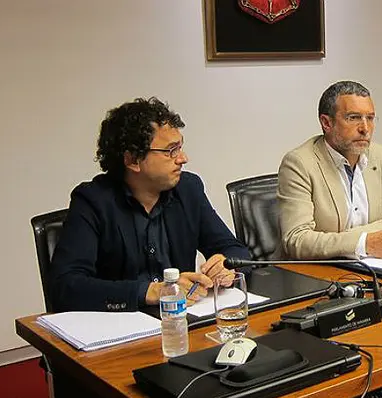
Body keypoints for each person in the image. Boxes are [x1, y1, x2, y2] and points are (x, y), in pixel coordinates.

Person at [49, 97, 250, 312]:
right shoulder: (93, 201)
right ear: (133, 160)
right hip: (122, 323)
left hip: (181, 320)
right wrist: (150, 291)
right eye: (171, 151)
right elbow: (65, 286)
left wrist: (225, 266)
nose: (183, 158)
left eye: (180, 147)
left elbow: (236, 250)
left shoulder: (188, 189)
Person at [278, 81, 382, 259]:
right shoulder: (299, 163)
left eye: (370, 118)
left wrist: (361, 241)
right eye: (353, 118)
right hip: (321, 270)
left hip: (374, 265)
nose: (365, 129)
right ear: (326, 123)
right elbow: (297, 239)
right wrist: (363, 243)